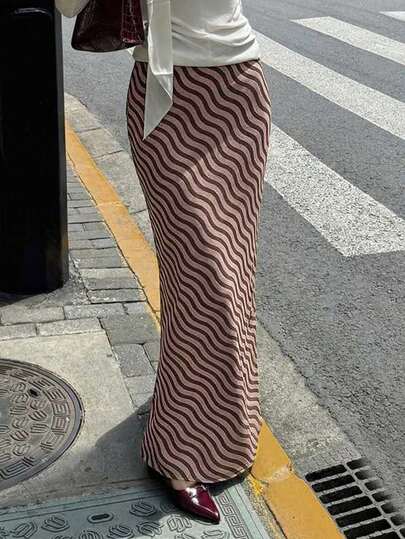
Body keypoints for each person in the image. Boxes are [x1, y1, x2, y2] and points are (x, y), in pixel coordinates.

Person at [56, 0, 272, 524]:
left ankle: (227, 420)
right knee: (200, 278)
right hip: (165, 100)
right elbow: (66, 7)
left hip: (239, 91)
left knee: (233, 270)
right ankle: (180, 453)